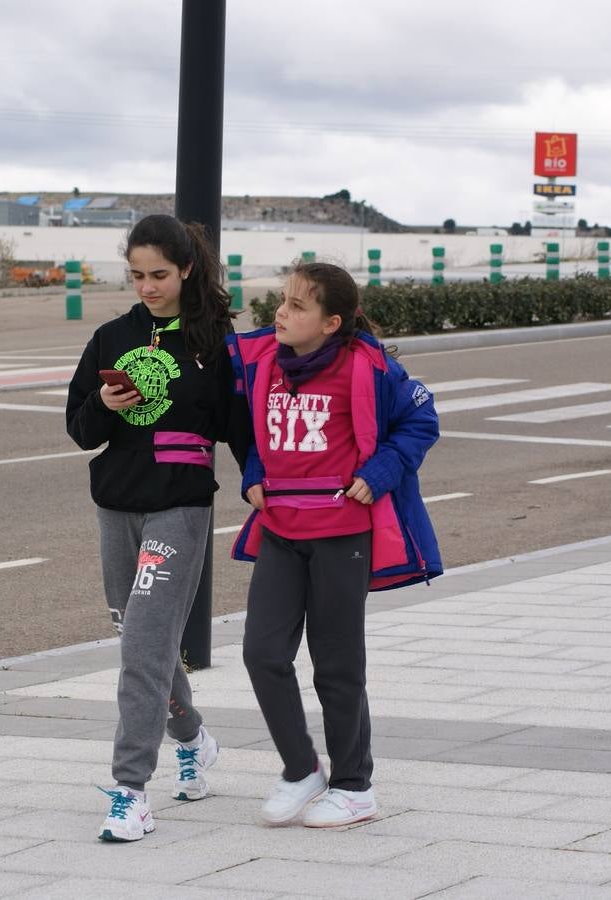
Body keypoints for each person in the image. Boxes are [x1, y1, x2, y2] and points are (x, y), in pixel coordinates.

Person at [226, 260, 441, 828]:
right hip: (279, 531)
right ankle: (301, 771)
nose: (282, 311)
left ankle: (354, 787)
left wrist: (383, 469)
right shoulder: (265, 361)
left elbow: (421, 420)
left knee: (336, 667)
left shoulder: (367, 368)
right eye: (283, 300)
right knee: (262, 655)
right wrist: (252, 475)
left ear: (331, 322)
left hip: (343, 535)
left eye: (299, 305)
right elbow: (255, 433)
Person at [66, 213, 247, 843]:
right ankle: (194, 739)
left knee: (144, 643)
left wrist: (260, 484)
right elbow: (80, 431)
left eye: (159, 275)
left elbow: (240, 426)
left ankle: (129, 792)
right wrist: (103, 405)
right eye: (137, 275)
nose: (147, 286)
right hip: (116, 504)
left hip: (180, 506)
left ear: (187, 270)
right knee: (139, 638)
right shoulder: (111, 337)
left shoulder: (217, 342)